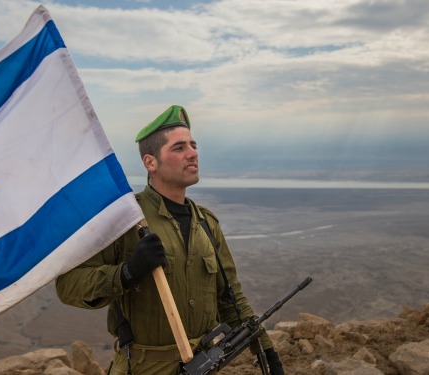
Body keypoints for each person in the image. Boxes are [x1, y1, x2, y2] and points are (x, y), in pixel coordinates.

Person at [55, 105, 284, 374]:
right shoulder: (127, 220)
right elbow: (69, 285)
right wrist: (128, 273)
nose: (192, 154)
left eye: (193, 145)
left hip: (202, 365)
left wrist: (266, 351)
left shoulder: (206, 223)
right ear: (150, 162)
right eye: (179, 148)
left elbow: (231, 299)